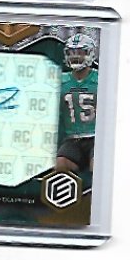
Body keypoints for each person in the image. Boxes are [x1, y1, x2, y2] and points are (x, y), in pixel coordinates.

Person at [56, 34, 98, 173]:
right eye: (72, 52)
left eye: (80, 52)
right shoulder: (60, 81)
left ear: (90, 53)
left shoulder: (101, 79)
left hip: (96, 138)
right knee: (61, 164)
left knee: (98, 165)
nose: (75, 56)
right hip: (72, 138)